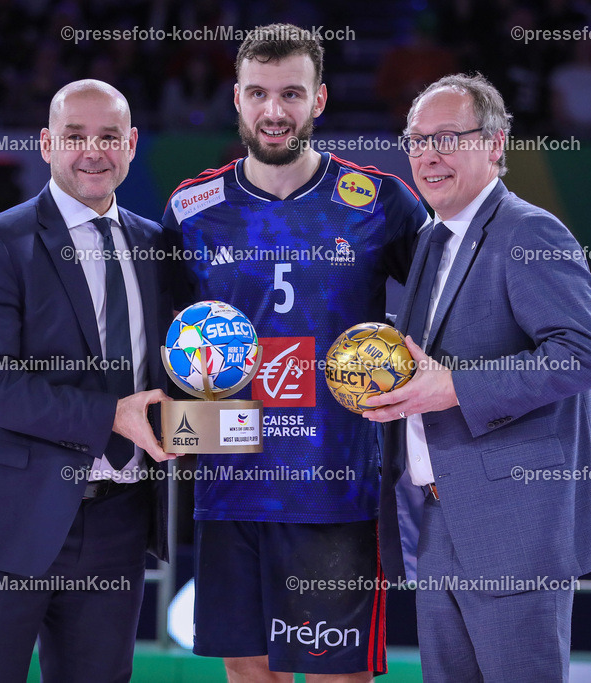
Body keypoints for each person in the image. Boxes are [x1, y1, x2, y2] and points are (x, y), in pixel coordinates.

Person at [161, 24, 428, 682]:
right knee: (250, 673)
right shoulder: (192, 209)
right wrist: (185, 428)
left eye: (290, 93)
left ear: (321, 100)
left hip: (335, 493)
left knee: (338, 677)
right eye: (258, 93)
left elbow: (442, 310)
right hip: (230, 490)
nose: (273, 111)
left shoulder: (378, 202)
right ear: (236, 99)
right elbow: (163, 358)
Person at [364, 73, 591, 682]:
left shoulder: (530, 231)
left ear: (496, 145)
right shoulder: (432, 239)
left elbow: (585, 354)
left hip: (514, 525)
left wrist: (454, 386)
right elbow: (440, 350)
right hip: (438, 515)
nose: (428, 155)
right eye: (417, 140)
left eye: (449, 138)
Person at [0, 79, 176, 682]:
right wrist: (109, 417)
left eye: (109, 136)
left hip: (118, 522)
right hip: (7, 521)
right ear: (46, 143)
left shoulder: (159, 246)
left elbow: (173, 375)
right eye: (75, 136)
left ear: (132, 144)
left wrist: (236, 411)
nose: (93, 151)